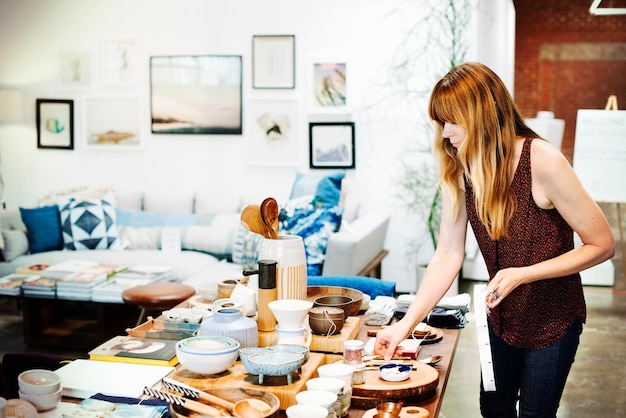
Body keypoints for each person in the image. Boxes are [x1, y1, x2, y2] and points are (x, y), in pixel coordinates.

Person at [374, 62, 615, 418]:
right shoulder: (462, 169)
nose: (445, 134)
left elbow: (602, 244)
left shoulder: (542, 161)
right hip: (498, 319)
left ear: (481, 114)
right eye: (441, 123)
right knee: (494, 410)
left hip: (553, 321)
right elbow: (447, 254)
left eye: (451, 121)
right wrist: (404, 326)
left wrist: (523, 273)